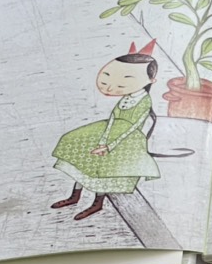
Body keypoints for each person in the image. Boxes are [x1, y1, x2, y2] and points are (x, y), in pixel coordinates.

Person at [51, 41, 161, 221]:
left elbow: (132, 128)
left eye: (128, 78)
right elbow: (112, 118)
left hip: (127, 137)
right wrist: (103, 139)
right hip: (110, 130)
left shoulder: (144, 101)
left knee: (102, 167)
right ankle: (75, 195)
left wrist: (109, 146)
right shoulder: (127, 97)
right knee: (79, 147)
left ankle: (97, 202)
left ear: (150, 81)